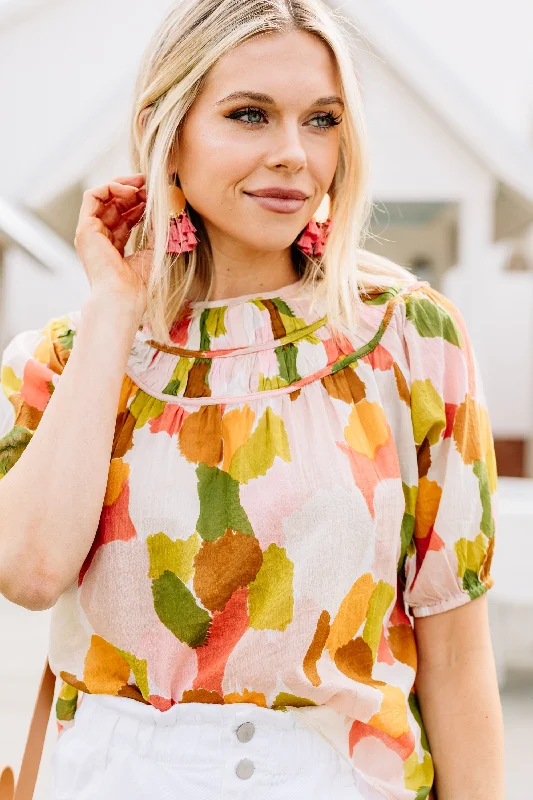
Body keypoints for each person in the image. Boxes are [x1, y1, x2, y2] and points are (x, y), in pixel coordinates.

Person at [0, 0, 505, 798]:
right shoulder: (68, 357)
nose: (292, 155)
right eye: (249, 115)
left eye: (321, 120)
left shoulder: (407, 339)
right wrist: (112, 310)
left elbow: (455, 649)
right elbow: (28, 572)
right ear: (168, 133)